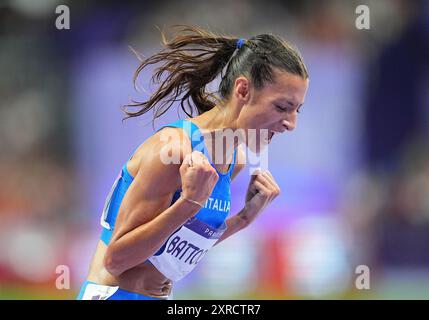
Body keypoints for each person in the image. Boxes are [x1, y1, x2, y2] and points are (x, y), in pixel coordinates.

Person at [77, 25, 309, 300]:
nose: (290, 124)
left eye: (297, 110)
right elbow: (116, 260)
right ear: (243, 90)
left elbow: (173, 251)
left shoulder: (234, 160)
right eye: (282, 107)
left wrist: (243, 219)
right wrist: (188, 204)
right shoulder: (173, 151)